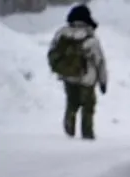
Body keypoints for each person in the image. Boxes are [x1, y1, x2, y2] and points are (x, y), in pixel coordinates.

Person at [47, 4, 108, 140]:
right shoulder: (90, 38)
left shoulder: (62, 34)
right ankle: (87, 133)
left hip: (68, 76)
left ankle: (69, 131)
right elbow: (100, 61)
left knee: (71, 103)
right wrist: (103, 81)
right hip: (87, 78)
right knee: (88, 106)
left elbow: (52, 53)